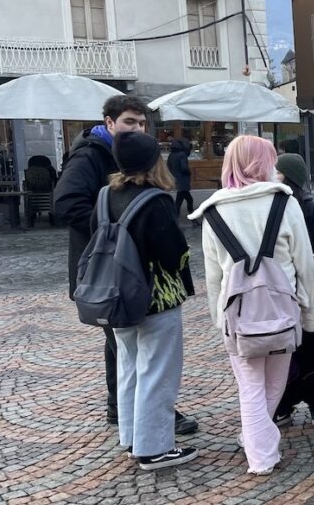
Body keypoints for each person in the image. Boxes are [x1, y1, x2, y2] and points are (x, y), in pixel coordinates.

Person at [54, 95, 197, 436]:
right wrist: (112, 233)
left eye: (142, 123)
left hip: (120, 272)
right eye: (130, 122)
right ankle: (147, 427)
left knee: (122, 347)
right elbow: (65, 203)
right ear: (109, 122)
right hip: (111, 273)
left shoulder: (118, 160)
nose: (138, 128)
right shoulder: (90, 155)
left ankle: (125, 416)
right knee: (138, 354)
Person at [191, 136, 314, 473]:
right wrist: (312, 314)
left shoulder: (213, 212)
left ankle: (257, 445)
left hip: (237, 314)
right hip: (282, 309)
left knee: (249, 384)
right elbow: (305, 263)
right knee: (275, 382)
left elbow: (214, 275)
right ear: (264, 163)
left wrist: (219, 319)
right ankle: (260, 451)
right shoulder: (284, 203)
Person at [106, 132, 197, 470]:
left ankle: (131, 437)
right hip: (155, 299)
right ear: (153, 161)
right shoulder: (154, 200)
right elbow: (173, 255)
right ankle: (154, 449)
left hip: (116, 297)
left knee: (129, 368)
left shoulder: (106, 195)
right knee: (157, 372)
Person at [272, 153, 314, 427]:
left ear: (287, 177)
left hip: (309, 291)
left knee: (312, 346)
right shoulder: (278, 207)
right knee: (289, 349)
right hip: (287, 291)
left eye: (277, 172)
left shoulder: (310, 209)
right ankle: (286, 404)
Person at [167, 137, 194, 217]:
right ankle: (192, 217)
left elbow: (169, 166)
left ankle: (177, 217)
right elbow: (184, 168)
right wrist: (189, 172)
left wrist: (174, 174)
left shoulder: (171, 154)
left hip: (177, 178)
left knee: (180, 200)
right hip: (183, 179)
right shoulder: (182, 155)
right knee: (187, 200)